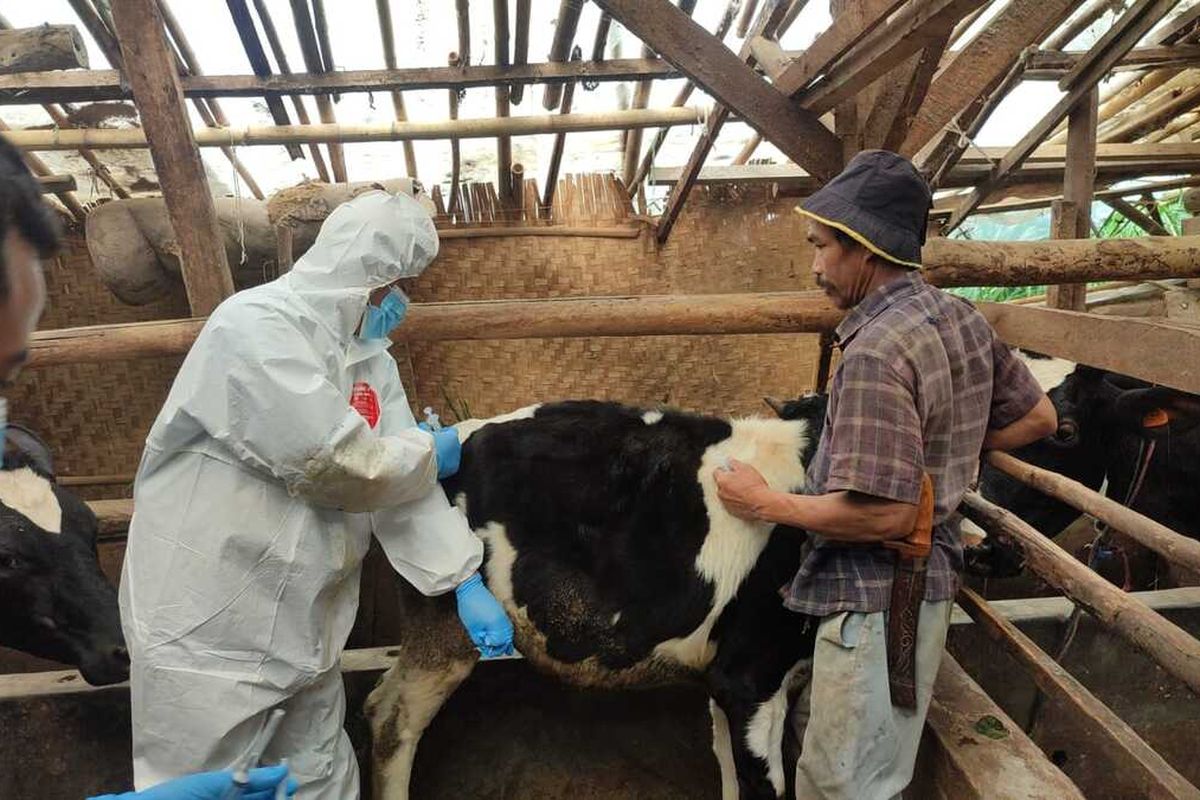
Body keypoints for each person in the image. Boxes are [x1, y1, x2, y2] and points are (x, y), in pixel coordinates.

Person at [119, 190, 514, 799]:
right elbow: (336, 463)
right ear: (362, 276)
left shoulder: (368, 360)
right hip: (211, 630)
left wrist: (458, 578)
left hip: (307, 627)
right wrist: (428, 454)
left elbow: (395, 484)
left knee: (320, 777)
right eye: (397, 285)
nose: (401, 301)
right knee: (207, 785)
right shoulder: (252, 328)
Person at [713, 150, 1057, 799]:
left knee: (843, 786)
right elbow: (1038, 416)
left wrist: (763, 502)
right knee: (871, 765)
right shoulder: (959, 316)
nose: (815, 265)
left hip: (875, 597)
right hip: (927, 584)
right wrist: (945, 451)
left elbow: (888, 515)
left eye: (821, 247)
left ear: (864, 248)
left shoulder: (874, 352)